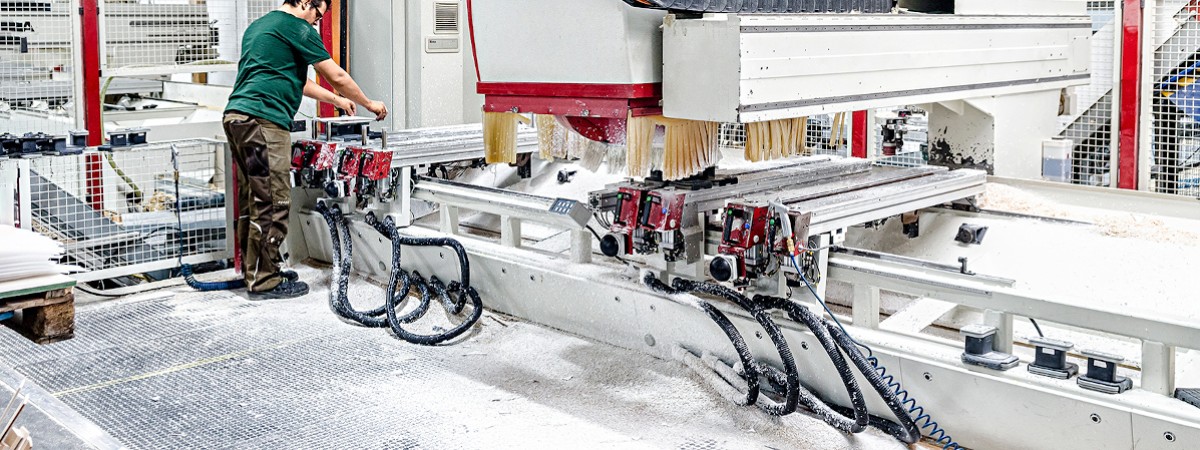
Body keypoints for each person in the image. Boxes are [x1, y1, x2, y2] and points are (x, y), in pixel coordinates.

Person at [224, 0, 387, 300]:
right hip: (264, 121)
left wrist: (337, 101)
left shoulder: (260, 27)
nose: (315, 23)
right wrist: (369, 103)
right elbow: (335, 75)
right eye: (316, 15)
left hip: (237, 118)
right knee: (274, 200)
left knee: (254, 199)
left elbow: (296, 82)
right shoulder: (297, 28)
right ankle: (265, 280)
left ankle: (256, 271)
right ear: (302, 1)